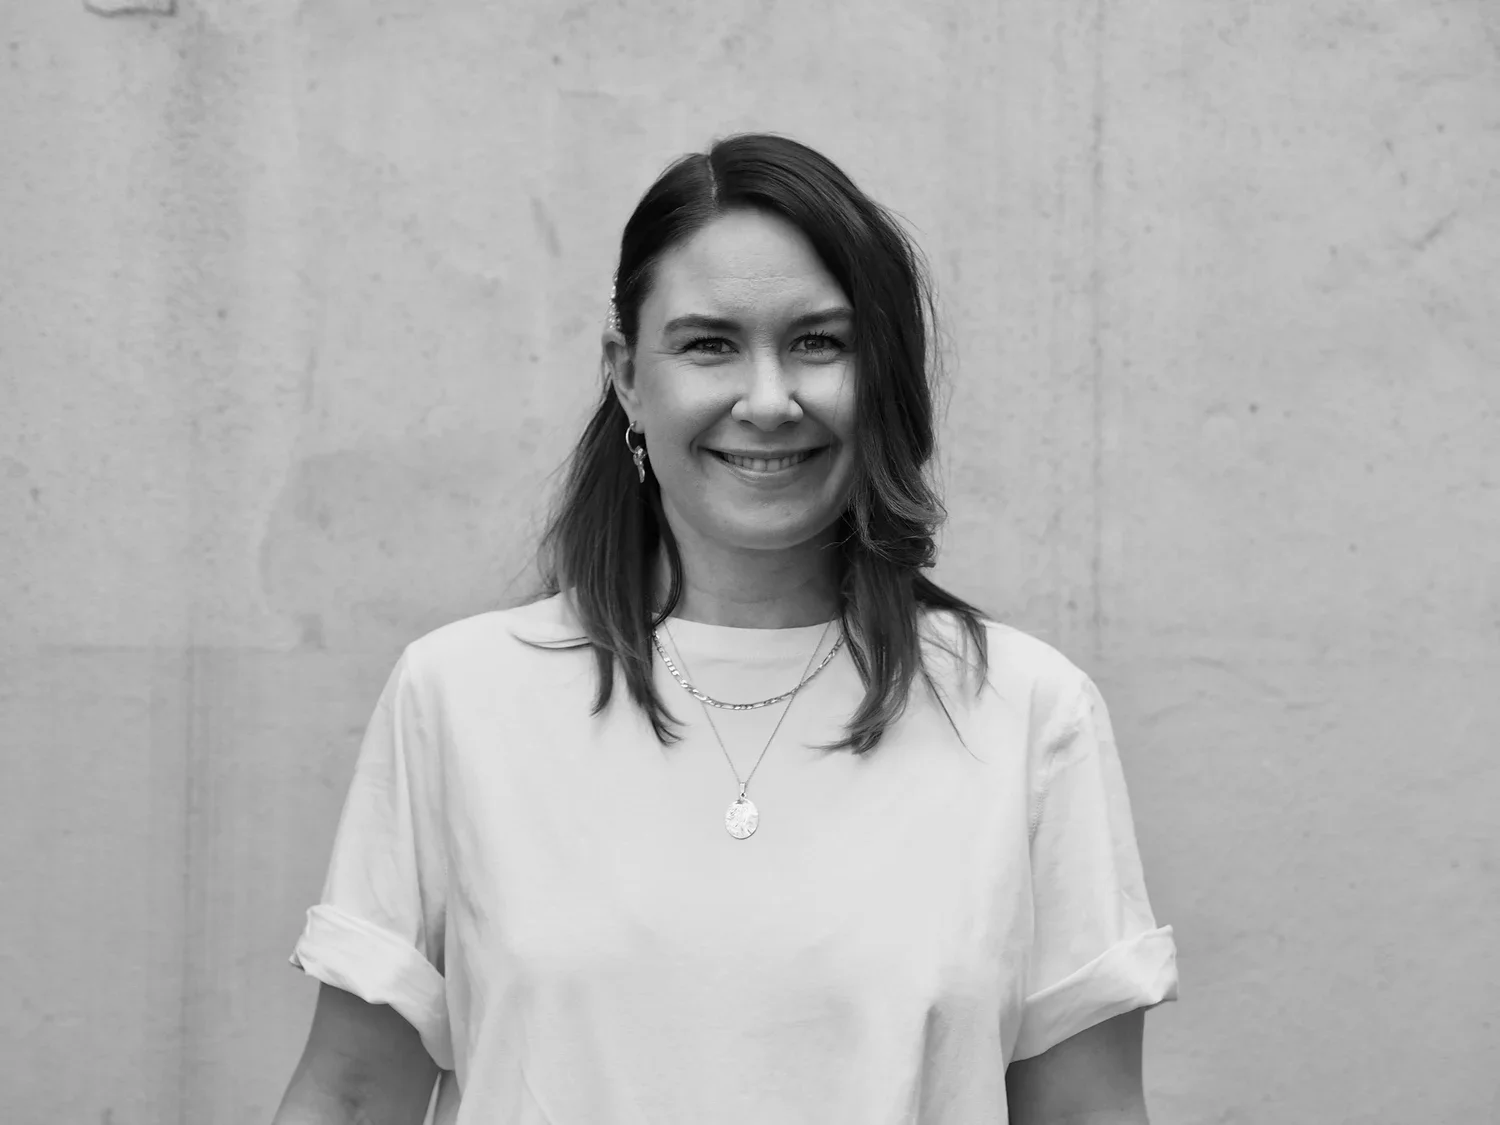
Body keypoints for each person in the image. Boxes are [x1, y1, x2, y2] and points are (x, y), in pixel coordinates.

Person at [272, 133, 1178, 1125]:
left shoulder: (1024, 713)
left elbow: (1087, 1111)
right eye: (710, 344)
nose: (767, 399)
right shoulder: (458, 697)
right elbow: (356, 1096)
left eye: (818, 343)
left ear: (883, 377)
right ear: (626, 374)